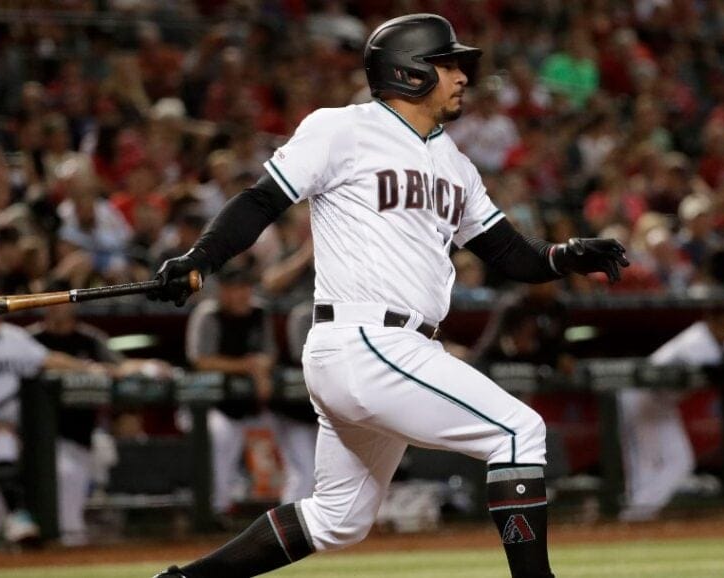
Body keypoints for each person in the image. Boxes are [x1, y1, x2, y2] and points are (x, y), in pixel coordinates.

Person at [148, 14, 628, 578]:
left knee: (337, 519)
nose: (461, 75)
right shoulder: (342, 129)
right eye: (447, 64)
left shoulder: (455, 162)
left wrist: (566, 256)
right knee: (519, 431)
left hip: (389, 349)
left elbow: (510, 254)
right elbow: (261, 200)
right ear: (409, 72)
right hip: (366, 340)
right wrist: (200, 258)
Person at [0, 276, 121, 545]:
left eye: (0, 296)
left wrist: (89, 368)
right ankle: (18, 514)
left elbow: (49, 359)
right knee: (3, 441)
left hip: (11, 439)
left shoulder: (14, 337)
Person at [26, 289, 173, 545]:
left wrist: (148, 366)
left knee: (94, 478)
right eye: (51, 302)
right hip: (42, 436)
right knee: (66, 491)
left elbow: (118, 368)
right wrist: (85, 368)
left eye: (61, 303)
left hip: (82, 434)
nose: (56, 308)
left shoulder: (88, 338)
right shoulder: (30, 339)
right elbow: (42, 362)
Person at [185, 267, 316, 518]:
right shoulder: (209, 315)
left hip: (256, 406)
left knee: (301, 459)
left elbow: (269, 355)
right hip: (214, 406)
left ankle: (294, 514)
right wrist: (249, 366)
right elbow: (201, 360)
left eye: (245, 288)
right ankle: (215, 512)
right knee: (221, 442)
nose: (242, 294)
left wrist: (260, 367)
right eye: (235, 288)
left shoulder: (259, 312)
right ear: (222, 291)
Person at [618, 307, 724, 522]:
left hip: (664, 404)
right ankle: (635, 517)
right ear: (709, 321)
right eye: (720, 325)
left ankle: (638, 516)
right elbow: (717, 369)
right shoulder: (696, 340)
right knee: (647, 466)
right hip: (641, 398)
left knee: (681, 462)